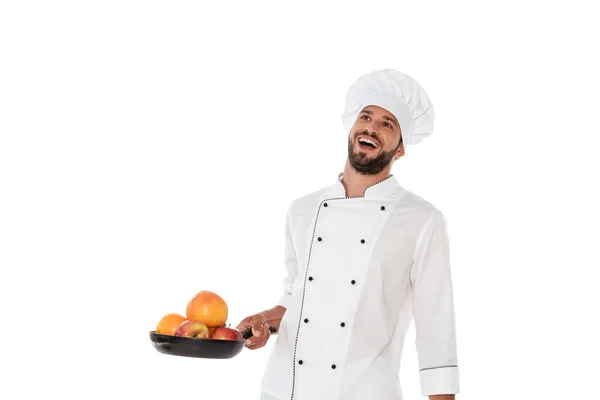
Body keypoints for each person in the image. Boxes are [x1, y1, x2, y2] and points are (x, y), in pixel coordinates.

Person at [236, 69, 460, 400]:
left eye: (387, 123)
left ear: (399, 149)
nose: (372, 126)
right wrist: (266, 322)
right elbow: (297, 296)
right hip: (283, 389)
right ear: (353, 129)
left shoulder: (421, 219)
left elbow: (435, 329)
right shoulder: (303, 209)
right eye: (366, 116)